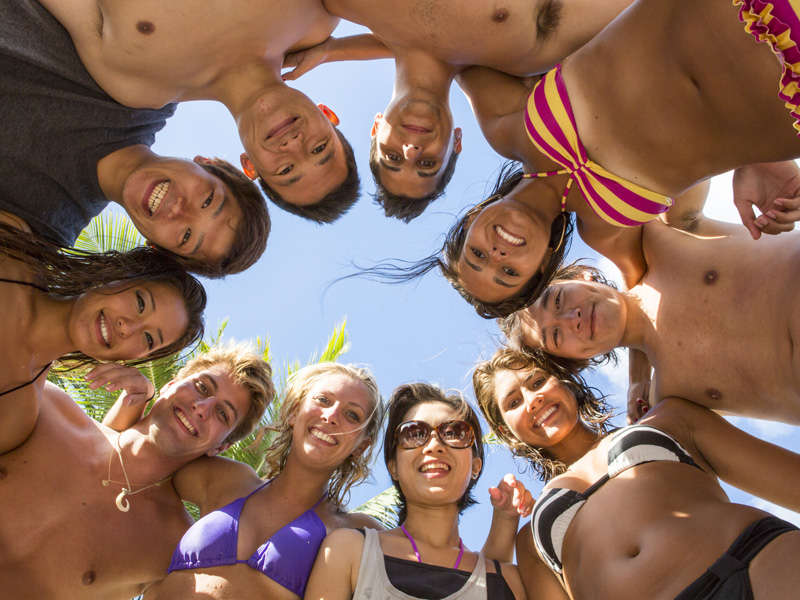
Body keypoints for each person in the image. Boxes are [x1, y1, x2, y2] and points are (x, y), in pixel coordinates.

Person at [426, 0, 800, 316]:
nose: (496, 253)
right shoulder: (606, 231)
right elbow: (639, 298)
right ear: (541, 268)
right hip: (786, 107)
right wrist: (640, 376)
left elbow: (445, 45)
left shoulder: (505, 127)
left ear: (472, 219)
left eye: (477, 253)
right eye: (508, 272)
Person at [473, 347, 800, 600]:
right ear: (505, 433)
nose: (533, 399)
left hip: (755, 561)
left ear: (565, 381)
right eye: (514, 401)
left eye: (538, 381)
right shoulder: (529, 541)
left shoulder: (668, 419)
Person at [282, 0, 636, 220]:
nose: (411, 149)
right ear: (457, 142)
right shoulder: (525, 57)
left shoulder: (348, 6)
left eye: (392, 157)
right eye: (427, 164)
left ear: (376, 127)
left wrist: (331, 49)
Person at [1, 0, 269, 278]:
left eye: (187, 236)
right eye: (207, 200)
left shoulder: (39, 233)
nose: (180, 209)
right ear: (207, 162)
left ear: (155, 247)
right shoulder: (155, 81)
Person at [38, 0, 360, 221]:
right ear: (328, 115)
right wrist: (334, 49)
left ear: (250, 166)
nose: (294, 146)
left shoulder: (140, 85)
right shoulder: (317, 16)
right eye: (320, 149)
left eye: (286, 171)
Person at [0, 342, 274, 600]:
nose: (202, 408)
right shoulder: (49, 410)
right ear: (170, 384)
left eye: (222, 414)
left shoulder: (174, 547)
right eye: (202, 387)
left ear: (220, 447)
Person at [106, 362, 386, 599]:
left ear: (361, 445)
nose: (331, 415)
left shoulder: (359, 532)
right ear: (293, 412)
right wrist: (135, 398)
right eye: (323, 400)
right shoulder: (226, 480)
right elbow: (129, 460)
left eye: (352, 415)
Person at [499, 214, 800, 425]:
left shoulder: (663, 239)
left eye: (559, 299)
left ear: (581, 276)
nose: (571, 319)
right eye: (555, 336)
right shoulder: (668, 398)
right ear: (578, 360)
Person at [304, 382, 528, 600]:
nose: (433, 445)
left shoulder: (508, 581)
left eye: (454, 432)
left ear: (475, 467)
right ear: (394, 468)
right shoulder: (349, 550)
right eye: (413, 433)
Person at [0, 216, 207, 410]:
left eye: (149, 338)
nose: (127, 327)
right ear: (119, 274)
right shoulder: (10, 246)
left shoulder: (16, 413)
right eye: (140, 303)